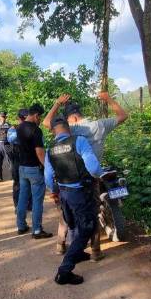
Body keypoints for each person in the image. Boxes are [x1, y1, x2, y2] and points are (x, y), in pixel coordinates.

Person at [43, 91, 128, 259]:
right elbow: (123, 116)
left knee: (66, 214)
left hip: (70, 180)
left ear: (71, 119)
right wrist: (108, 99)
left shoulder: (71, 129)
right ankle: (95, 251)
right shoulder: (99, 125)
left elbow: (47, 122)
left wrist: (58, 103)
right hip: (93, 178)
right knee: (92, 213)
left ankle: (61, 245)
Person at [45, 116, 104, 285]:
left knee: (74, 225)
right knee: (87, 227)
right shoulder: (79, 141)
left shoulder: (51, 149)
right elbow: (93, 168)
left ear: (53, 131)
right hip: (80, 193)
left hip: (64, 193)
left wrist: (56, 192)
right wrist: (100, 177)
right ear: (68, 128)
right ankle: (64, 271)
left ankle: (77, 253)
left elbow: (48, 178)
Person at [16, 103, 52, 238]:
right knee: (37, 201)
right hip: (34, 170)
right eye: (40, 117)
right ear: (36, 115)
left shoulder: (19, 127)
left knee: (23, 198)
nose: (40, 120)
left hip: (22, 168)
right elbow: (40, 153)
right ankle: (37, 230)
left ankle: (21, 225)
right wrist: (48, 168)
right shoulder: (36, 130)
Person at [7, 108, 31, 210]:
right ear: (19, 119)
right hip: (17, 158)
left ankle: (29, 205)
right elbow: (10, 139)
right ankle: (17, 205)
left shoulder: (33, 128)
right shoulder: (13, 128)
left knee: (29, 182)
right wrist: (22, 129)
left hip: (29, 158)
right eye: (24, 119)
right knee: (17, 183)